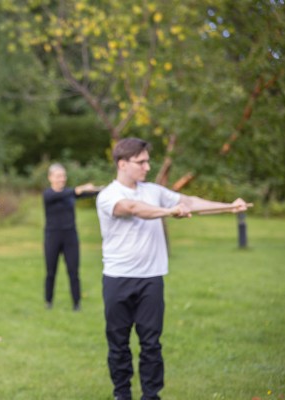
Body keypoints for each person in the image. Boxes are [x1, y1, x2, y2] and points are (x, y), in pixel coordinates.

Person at [95, 137, 247, 400]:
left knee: (151, 344)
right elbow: (131, 209)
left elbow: (189, 201)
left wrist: (229, 206)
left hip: (151, 279)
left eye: (147, 161)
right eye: (141, 162)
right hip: (117, 279)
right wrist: (169, 212)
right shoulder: (109, 195)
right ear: (122, 163)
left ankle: (151, 396)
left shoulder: (154, 190)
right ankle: (122, 394)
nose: (147, 166)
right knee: (118, 345)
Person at [42, 163, 99, 311]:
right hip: (52, 236)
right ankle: (48, 301)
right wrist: (79, 189)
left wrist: (98, 189)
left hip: (70, 236)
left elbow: (87, 193)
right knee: (51, 271)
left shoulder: (70, 193)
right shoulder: (48, 194)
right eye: (58, 176)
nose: (62, 179)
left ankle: (77, 303)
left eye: (63, 176)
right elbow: (64, 194)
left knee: (74, 271)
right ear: (50, 178)